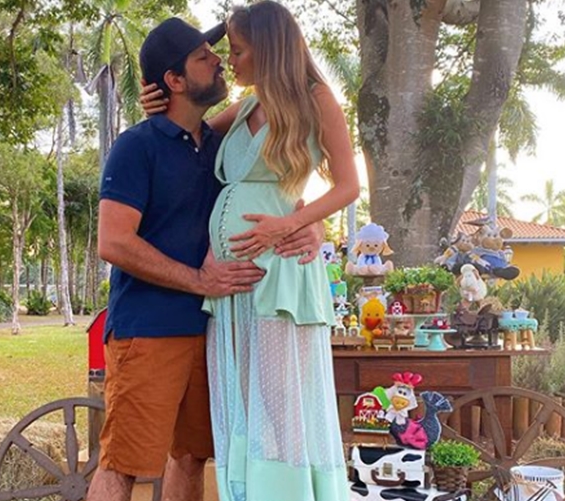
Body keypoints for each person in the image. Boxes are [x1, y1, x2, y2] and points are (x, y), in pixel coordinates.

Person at [90, 17, 323, 501]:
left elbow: (275, 185)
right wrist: (199, 280)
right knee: (124, 464)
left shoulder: (222, 146)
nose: (219, 60)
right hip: (149, 329)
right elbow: (113, 242)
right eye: (203, 56)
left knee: (192, 456)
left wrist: (309, 223)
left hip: (215, 329)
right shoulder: (137, 146)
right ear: (174, 80)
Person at [141, 2, 360, 500]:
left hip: (279, 269)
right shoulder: (245, 107)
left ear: (267, 48)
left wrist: (298, 222)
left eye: (237, 50)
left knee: (279, 398)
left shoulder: (316, 99)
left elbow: (349, 185)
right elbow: (190, 136)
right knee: (240, 394)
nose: (229, 60)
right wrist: (156, 106)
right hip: (229, 281)